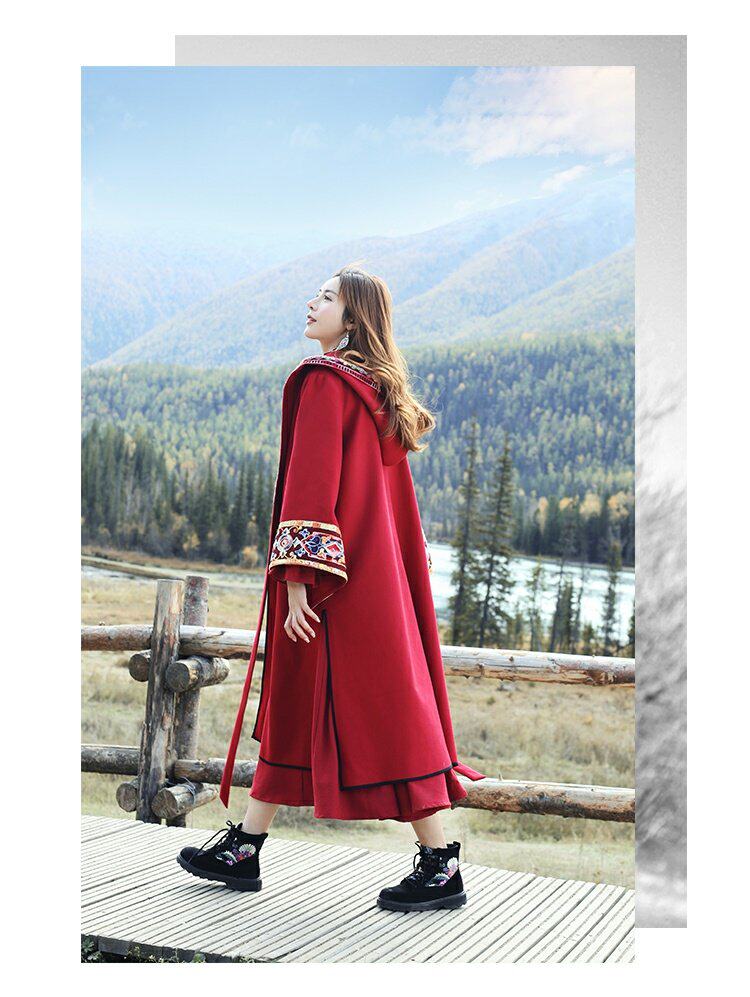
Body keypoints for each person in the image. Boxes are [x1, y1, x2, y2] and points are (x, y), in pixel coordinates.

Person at [177, 263, 486, 912]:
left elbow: (311, 485)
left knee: (379, 711)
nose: (311, 303)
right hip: (372, 583)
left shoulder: (325, 381)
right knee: (327, 702)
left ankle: (439, 864)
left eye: (327, 297)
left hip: (326, 588)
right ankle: (246, 845)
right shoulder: (375, 390)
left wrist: (296, 582)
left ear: (353, 318)